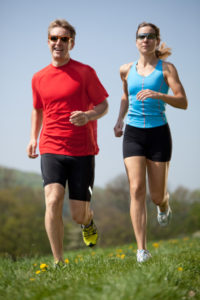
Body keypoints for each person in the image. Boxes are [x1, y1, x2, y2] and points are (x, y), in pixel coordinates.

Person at [27, 19, 108, 266]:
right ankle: (58, 261)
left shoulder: (85, 72)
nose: (58, 43)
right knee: (52, 200)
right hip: (51, 145)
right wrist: (33, 137)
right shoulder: (38, 77)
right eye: (54, 38)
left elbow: (103, 105)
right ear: (48, 41)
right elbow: (37, 109)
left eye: (64, 39)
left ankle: (88, 221)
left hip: (81, 149)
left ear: (71, 42)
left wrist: (88, 115)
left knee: (77, 214)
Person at [114, 22, 188, 263]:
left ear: (157, 40)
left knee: (156, 195)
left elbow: (183, 101)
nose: (145, 39)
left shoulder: (166, 69)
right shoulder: (125, 69)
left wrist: (159, 94)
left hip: (158, 134)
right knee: (136, 189)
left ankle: (164, 205)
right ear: (136, 41)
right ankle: (141, 250)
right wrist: (119, 120)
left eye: (150, 36)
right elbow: (126, 95)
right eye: (141, 36)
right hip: (133, 134)